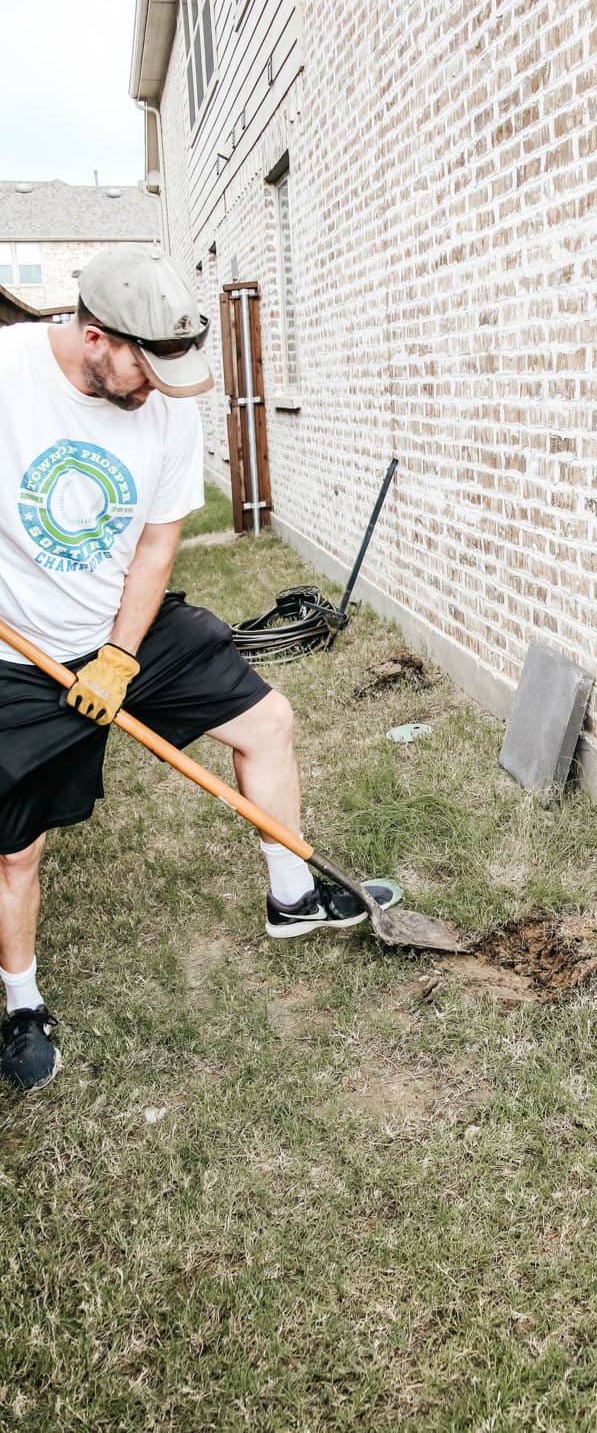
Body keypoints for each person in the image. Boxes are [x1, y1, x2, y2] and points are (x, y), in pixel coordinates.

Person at [0, 244, 397, 1093]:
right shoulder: (7, 376)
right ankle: (22, 1002)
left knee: (267, 722)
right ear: (95, 336)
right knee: (14, 851)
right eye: (145, 372)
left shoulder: (166, 394)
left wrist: (118, 654)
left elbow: (154, 542)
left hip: (119, 623)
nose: (159, 394)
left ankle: (291, 896)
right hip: (15, 651)